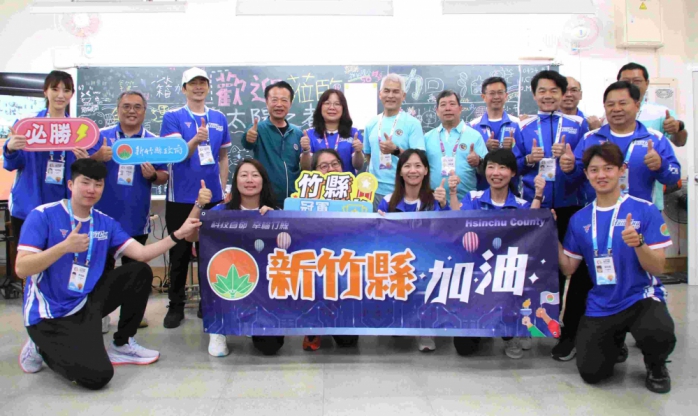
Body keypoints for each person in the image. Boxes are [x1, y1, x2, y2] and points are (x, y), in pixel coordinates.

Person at [16, 159, 201, 390]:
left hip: (85, 303)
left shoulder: (105, 222)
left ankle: (122, 344)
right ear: (71, 185)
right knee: (98, 377)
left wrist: (179, 234)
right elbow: (22, 268)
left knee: (139, 271)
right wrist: (63, 247)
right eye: (85, 183)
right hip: (50, 315)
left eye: (98, 184)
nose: (91, 189)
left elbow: (142, 253)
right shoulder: (43, 215)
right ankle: (40, 346)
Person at [558, 142, 675, 394]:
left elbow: (657, 268)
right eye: (594, 170)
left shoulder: (644, 210)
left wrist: (639, 244)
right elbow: (568, 268)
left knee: (658, 333)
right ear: (586, 174)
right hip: (602, 303)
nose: (601, 175)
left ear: (621, 170)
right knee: (591, 373)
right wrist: (548, 235)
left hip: (640, 297)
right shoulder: (580, 219)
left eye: (608, 168)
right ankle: (615, 341)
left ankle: (656, 365)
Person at [516, 70, 590, 362]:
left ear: (563, 94)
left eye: (553, 91)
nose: (547, 96)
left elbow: (588, 167)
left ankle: (570, 332)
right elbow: (512, 166)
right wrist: (528, 160)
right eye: (542, 91)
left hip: (572, 208)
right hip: (536, 208)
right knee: (537, 269)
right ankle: (538, 324)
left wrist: (572, 165)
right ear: (534, 95)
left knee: (574, 271)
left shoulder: (578, 125)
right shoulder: (523, 126)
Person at [451, 149, 544, 358]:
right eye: (491, 167)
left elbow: (534, 230)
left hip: (507, 276)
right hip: (476, 275)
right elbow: (456, 224)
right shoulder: (473, 198)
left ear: (513, 173)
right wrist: (453, 193)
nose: (496, 173)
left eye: (503, 168)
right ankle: (484, 325)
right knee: (464, 348)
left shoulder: (521, 205)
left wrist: (538, 196)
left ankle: (511, 333)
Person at [90, 90, 169, 332]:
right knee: (100, 270)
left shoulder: (153, 142)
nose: (131, 111)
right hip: (101, 218)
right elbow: (82, 168)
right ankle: (99, 315)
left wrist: (153, 175)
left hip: (135, 218)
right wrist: (97, 157)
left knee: (134, 271)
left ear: (145, 111)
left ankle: (131, 318)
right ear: (118, 109)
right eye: (126, 106)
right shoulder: (101, 137)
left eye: (137, 106)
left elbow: (164, 175)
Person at [159, 67, 231, 329]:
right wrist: (195, 140)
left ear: (208, 87)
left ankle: (207, 303)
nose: (198, 87)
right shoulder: (173, 117)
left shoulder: (219, 118)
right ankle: (175, 305)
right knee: (178, 252)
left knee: (209, 253)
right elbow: (177, 154)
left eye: (203, 83)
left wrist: (222, 191)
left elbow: (223, 157)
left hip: (212, 198)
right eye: (193, 83)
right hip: (181, 197)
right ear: (184, 88)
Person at [187, 159, 283, 356]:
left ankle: (251, 321)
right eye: (244, 175)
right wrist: (199, 204)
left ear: (263, 181)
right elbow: (190, 236)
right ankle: (218, 329)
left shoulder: (275, 211)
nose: (250, 180)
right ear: (236, 181)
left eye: (255, 175)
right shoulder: (221, 211)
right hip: (228, 280)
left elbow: (290, 246)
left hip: (263, 285)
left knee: (270, 347)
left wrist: (276, 221)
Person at [561, 82, 680, 205]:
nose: (616, 109)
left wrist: (661, 165)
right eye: (610, 104)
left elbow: (674, 177)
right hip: (598, 213)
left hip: (640, 213)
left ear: (637, 106)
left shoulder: (655, 139)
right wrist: (570, 168)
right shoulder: (589, 138)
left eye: (623, 103)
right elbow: (574, 179)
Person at [377, 149, 449, 352]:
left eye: (418, 166)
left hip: (428, 261)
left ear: (426, 170)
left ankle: (426, 329)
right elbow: (379, 239)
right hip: (398, 262)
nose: (413, 171)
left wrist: (444, 204)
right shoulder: (388, 201)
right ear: (400, 172)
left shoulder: (435, 199)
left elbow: (448, 233)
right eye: (407, 166)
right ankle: (399, 317)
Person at [3, 70, 86, 244]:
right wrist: (11, 148)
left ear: (72, 94)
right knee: (28, 256)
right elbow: (12, 165)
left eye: (66, 90)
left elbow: (80, 172)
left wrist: (83, 161)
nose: (60, 95)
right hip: (28, 206)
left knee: (60, 256)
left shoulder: (79, 129)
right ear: (45, 91)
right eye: (55, 89)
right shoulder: (27, 125)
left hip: (64, 208)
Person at [297, 148, 361, 351]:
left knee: (347, 342)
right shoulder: (304, 197)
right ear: (314, 171)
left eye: (335, 164)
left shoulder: (357, 195)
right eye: (323, 166)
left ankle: (341, 319)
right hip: (315, 263)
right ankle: (313, 326)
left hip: (345, 264)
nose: (331, 169)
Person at [617, 62, 688, 211]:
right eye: (625, 81)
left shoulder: (661, 113)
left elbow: (681, 142)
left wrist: (677, 129)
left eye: (637, 81)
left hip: (649, 199)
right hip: (614, 198)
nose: (631, 85)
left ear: (647, 83)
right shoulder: (610, 113)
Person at [365, 74, 426, 211]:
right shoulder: (371, 123)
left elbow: (420, 159)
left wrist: (396, 151)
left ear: (403, 96)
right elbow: (368, 155)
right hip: (374, 191)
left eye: (396, 91)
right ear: (380, 94)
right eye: (386, 91)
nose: (390, 95)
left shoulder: (413, 123)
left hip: (403, 191)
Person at [243, 81, 303, 208]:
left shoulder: (297, 133)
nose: (279, 104)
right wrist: (249, 137)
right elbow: (247, 143)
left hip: (294, 199)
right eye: (274, 100)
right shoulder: (258, 129)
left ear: (290, 103)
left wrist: (307, 150)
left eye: (284, 100)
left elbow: (304, 166)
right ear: (266, 102)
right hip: (265, 200)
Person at [424, 90, 486, 201]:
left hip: (467, 203)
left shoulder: (474, 136)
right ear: (437, 111)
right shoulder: (427, 137)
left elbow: (487, 170)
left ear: (460, 109)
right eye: (443, 105)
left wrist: (479, 161)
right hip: (435, 202)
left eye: (452, 104)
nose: (448, 108)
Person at [469, 77, 524, 191]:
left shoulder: (518, 124)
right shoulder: (472, 126)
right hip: (482, 190)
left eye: (500, 92)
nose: (496, 97)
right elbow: (469, 162)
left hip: (511, 190)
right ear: (483, 97)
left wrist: (512, 149)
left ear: (506, 95)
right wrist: (484, 148)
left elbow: (523, 161)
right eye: (492, 93)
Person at [300, 89, 364, 173]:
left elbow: (358, 166)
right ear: (320, 107)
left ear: (343, 108)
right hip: (319, 181)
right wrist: (306, 151)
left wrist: (358, 152)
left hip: (346, 181)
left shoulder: (353, 133)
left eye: (337, 104)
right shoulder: (310, 134)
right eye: (327, 103)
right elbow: (306, 168)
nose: (332, 107)